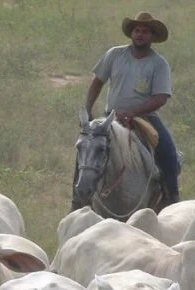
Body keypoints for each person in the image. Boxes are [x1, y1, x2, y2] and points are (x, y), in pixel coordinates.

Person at [76, 11, 180, 211]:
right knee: (86, 147)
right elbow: (98, 81)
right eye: (137, 30)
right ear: (131, 33)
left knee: (168, 151)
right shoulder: (114, 54)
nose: (140, 35)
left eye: (145, 32)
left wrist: (133, 111)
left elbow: (161, 97)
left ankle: (171, 197)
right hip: (111, 118)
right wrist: (87, 108)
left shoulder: (158, 64)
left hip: (145, 118)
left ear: (152, 37)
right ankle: (78, 198)